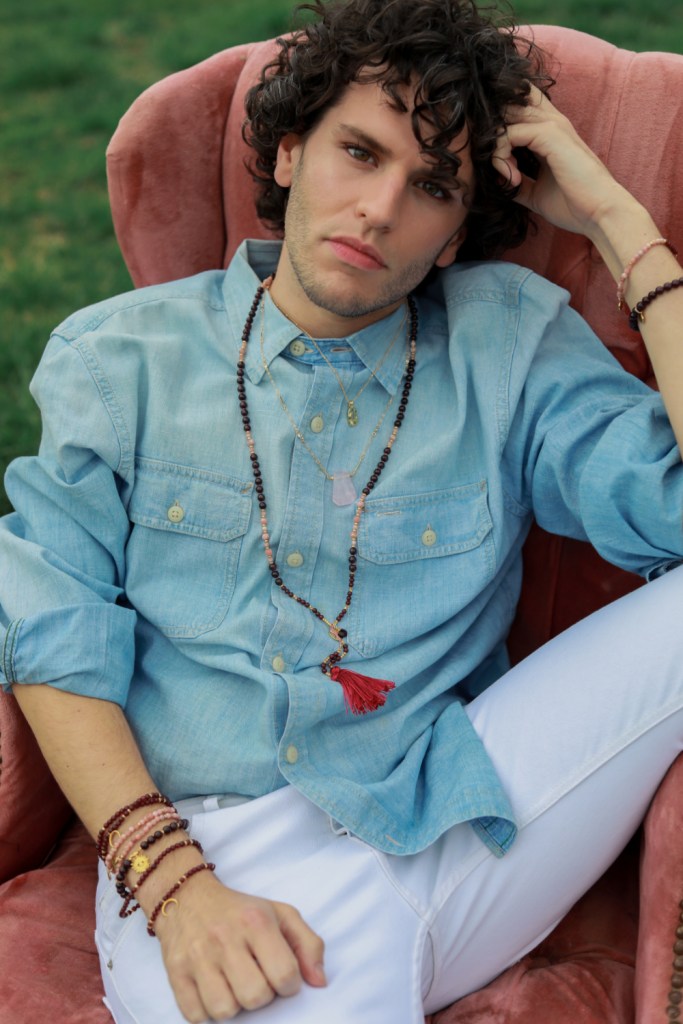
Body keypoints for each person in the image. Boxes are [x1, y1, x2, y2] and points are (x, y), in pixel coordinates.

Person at [1, 0, 682, 1021]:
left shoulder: (506, 344)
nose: (378, 208)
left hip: (454, 807)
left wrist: (617, 222)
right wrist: (175, 886)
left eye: (432, 186)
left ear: (454, 236)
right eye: (358, 153)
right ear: (288, 153)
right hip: (207, 850)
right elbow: (51, 629)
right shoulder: (117, 360)